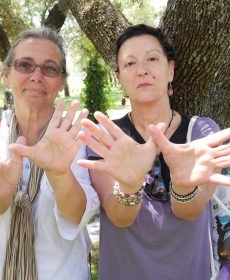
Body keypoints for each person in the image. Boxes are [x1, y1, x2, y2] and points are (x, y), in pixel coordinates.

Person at [77, 24, 229, 280]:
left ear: (171, 69)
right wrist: (129, 185)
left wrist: (182, 185)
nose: (142, 70)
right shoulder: (106, 138)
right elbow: (119, 217)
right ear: (119, 77)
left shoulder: (202, 132)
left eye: (152, 59)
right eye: (130, 64)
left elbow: (189, 211)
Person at [0, 27, 99, 280]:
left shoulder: (73, 137)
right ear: (6, 74)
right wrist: (0, 195)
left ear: (61, 82)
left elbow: (75, 216)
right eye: (25, 65)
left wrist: (59, 173)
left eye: (49, 68)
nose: (37, 75)